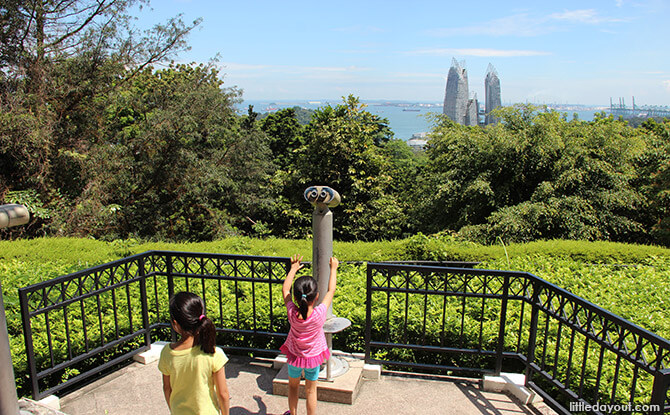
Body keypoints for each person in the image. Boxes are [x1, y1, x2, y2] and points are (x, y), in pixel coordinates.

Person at [280, 254, 338, 415]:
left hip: (295, 356)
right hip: (313, 358)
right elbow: (331, 290)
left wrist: (293, 269)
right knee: (311, 391)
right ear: (316, 296)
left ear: (297, 298)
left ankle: (293, 413)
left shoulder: (292, 312)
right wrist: (333, 269)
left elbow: (285, 289)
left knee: (293, 386)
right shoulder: (320, 314)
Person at [158, 291, 230, 415]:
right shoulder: (213, 353)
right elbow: (223, 394)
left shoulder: (167, 353)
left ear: (175, 323)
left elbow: (167, 388)